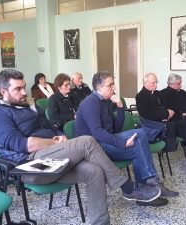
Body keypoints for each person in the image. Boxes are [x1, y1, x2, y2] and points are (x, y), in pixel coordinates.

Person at [0, 69, 161, 225]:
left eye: (24, 87)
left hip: (53, 159)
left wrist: (61, 137)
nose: (24, 92)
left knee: (94, 171)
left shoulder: (30, 106)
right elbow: (21, 144)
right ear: (3, 91)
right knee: (87, 140)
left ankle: (100, 222)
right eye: (18, 89)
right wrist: (56, 142)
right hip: (29, 167)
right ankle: (127, 187)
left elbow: (53, 127)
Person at [75, 71, 179, 207]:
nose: (114, 88)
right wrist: (122, 143)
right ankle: (152, 184)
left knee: (139, 144)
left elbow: (116, 128)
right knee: (140, 136)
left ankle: (147, 192)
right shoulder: (90, 103)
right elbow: (97, 133)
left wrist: (120, 107)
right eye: (110, 85)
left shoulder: (106, 101)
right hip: (95, 148)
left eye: (113, 84)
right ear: (99, 88)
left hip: (106, 141)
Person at [136, 73, 186, 176]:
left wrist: (172, 112)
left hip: (169, 122)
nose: (155, 84)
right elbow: (147, 115)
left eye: (156, 82)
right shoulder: (141, 96)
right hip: (158, 127)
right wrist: (166, 113)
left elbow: (167, 106)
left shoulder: (157, 93)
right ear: (145, 82)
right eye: (152, 82)